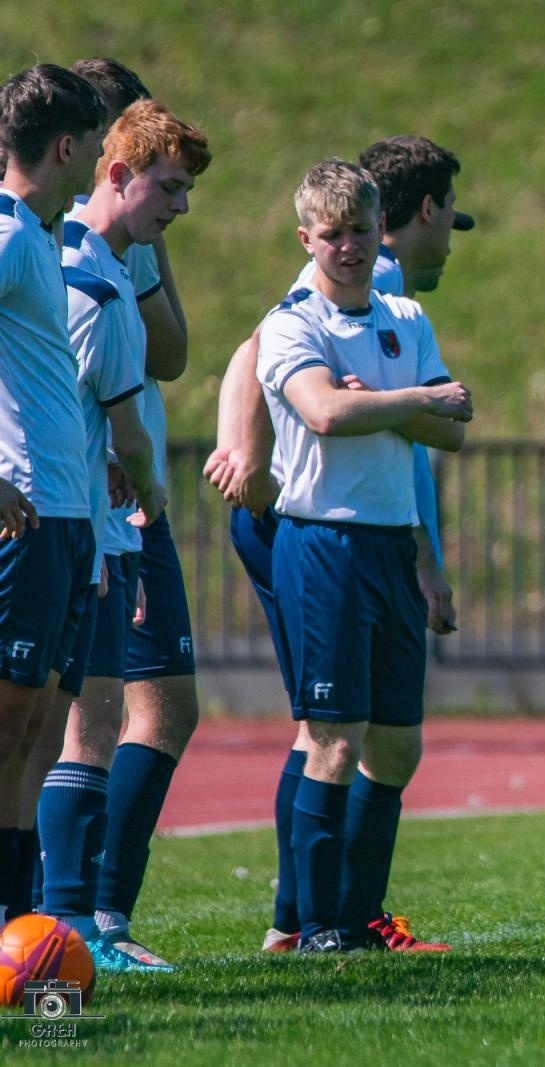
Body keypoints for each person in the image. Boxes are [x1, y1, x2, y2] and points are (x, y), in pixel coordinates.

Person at [206, 135, 473, 952]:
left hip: (393, 545)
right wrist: (410, 399)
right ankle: (311, 923)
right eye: (332, 235)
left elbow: (452, 431)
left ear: (375, 226)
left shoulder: (403, 314)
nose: (349, 247)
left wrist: (386, 400)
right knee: (331, 736)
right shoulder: (295, 322)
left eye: (359, 229)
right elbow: (325, 412)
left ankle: (357, 918)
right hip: (323, 543)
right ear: (307, 242)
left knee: (397, 745)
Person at [41, 99, 207, 972]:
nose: (177, 210)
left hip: (79, 513)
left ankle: (63, 924)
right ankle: (69, 926)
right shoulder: (92, 279)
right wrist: (136, 497)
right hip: (86, 523)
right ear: (115, 172)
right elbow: (118, 427)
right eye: (169, 189)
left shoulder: (72, 255)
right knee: (83, 722)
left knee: (59, 722)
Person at [0, 64, 106, 924]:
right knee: (7, 733)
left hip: (68, 520)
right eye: (96, 145)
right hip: (26, 518)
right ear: (67, 146)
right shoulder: (4, 235)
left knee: (34, 738)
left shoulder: (39, 233)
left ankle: (23, 932)